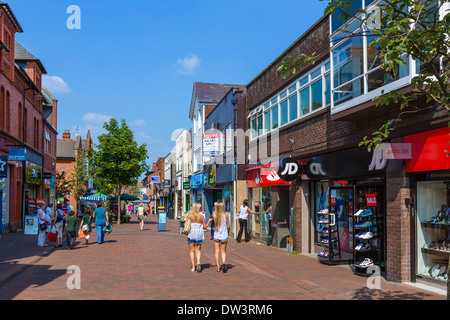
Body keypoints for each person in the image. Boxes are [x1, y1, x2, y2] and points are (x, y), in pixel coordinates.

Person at [206, 203, 230, 273]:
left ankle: (218, 267)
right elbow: (228, 226)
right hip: (224, 236)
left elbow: (210, 221)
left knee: (217, 251)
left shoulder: (214, 214)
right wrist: (227, 233)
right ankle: (224, 263)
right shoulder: (226, 215)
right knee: (223, 251)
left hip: (216, 236)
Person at [185, 203, 207, 272]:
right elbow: (205, 227)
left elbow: (185, 225)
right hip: (199, 234)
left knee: (192, 250)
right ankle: (198, 262)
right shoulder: (201, 217)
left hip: (191, 233)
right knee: (198, 250)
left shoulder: (189, 216)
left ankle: (193, 267)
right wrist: (209, 221)